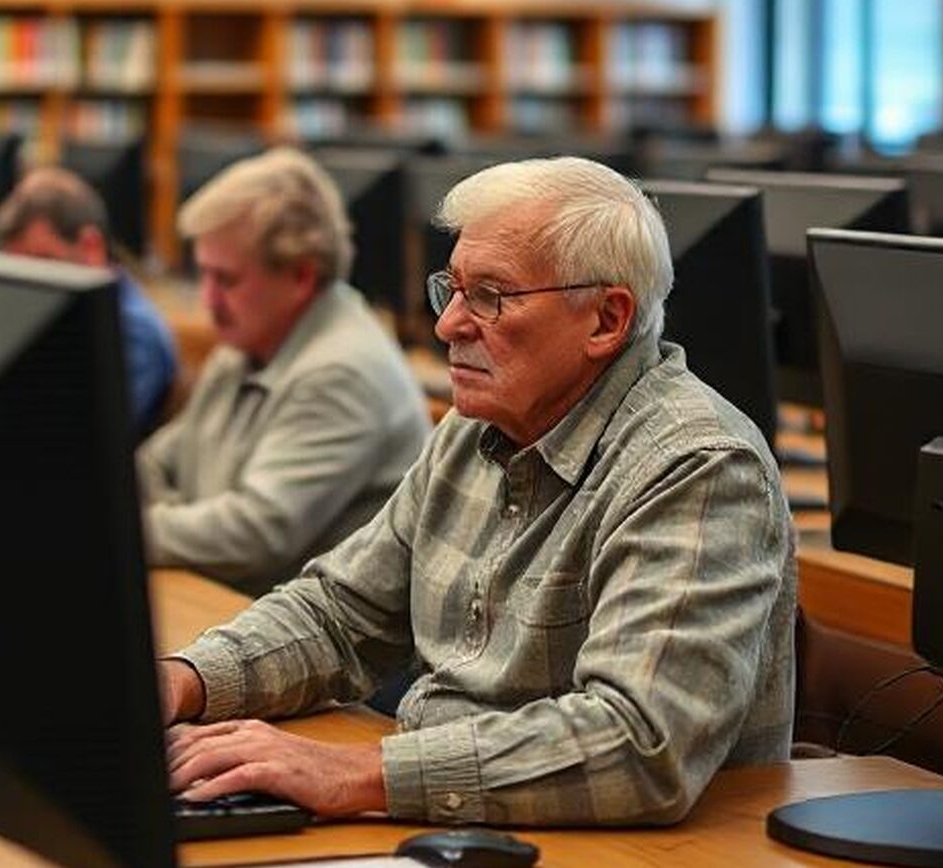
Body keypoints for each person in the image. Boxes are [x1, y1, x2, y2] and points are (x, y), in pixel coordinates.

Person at [160, 156, 797, 826]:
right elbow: (338, 615)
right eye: (453, 290)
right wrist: (185, 680)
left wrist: (355, 771)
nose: (448, 326)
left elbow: (638, 743)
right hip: (466, 818)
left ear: (606, 320)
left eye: (491, 297)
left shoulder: (699, 468)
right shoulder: (477, 426)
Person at [137, 148, 431, 597]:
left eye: (226, 280)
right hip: (235, 609)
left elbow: (253, 537)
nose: (207, 300)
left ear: (300, 276)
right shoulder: (247, 344)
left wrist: (131, 525)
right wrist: (184, 520)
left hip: (319, 652)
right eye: (205, 276)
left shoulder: (342, 372)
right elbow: (155, 463)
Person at [0, 167, 177, 435]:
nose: (32, 285)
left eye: (44, 263)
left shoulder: (134, 332)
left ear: (91, 247)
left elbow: (87, 436)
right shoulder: (56, 318)